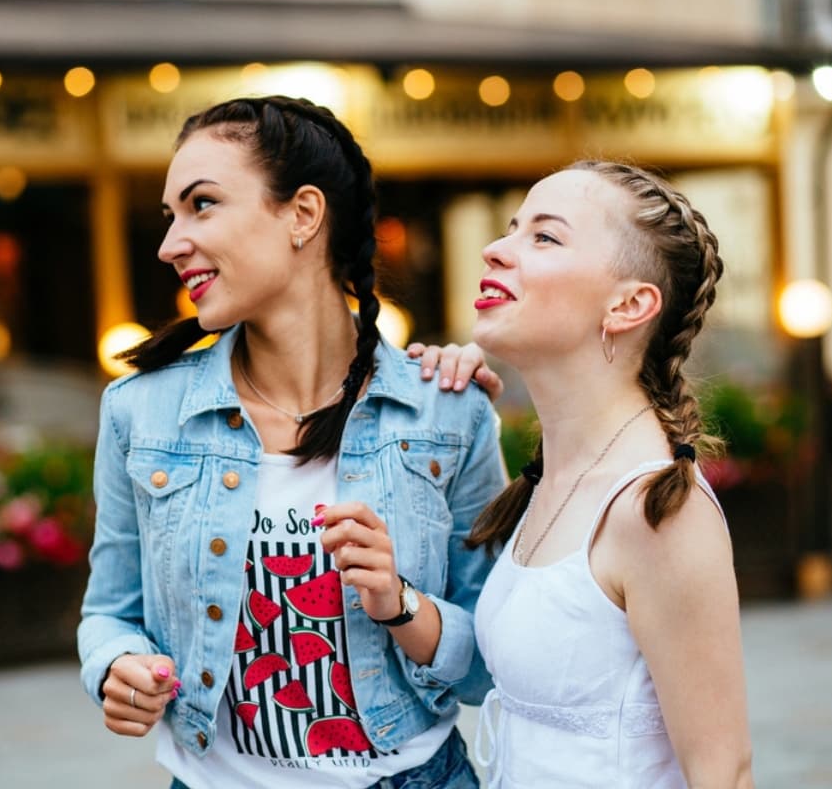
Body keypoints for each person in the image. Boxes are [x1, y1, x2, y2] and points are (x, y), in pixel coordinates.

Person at [77, 95, 508, 789]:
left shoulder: (446, 411)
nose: (170, 244)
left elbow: (493, 662)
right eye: (170, 215)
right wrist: (116, 667)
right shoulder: (141, 412)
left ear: (303, 214)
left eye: (202, 204)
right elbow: (109, 613)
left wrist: (400, 603)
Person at [469, 160, 754, 788]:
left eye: (544, 236)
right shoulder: (551, 480)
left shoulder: (658, 512)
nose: (495, 250)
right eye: (511, 228)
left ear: (629, 304)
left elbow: (724, 772)